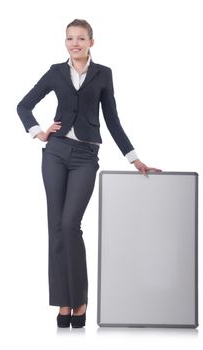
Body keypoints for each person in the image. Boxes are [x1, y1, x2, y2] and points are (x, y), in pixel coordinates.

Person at [17, 19, 160, 328]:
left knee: (70, 225)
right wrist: (38, 132)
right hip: (55, 152)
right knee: (56, 227)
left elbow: (112, 119)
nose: (75, 43)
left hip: (85, 155)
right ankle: (64, 303)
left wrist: (134, 158)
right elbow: (24, 105)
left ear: (91, 43)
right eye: (70, 38)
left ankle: (79, 299)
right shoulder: (56, 72)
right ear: (65, 42)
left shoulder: (103, 74)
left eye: (81, 38)